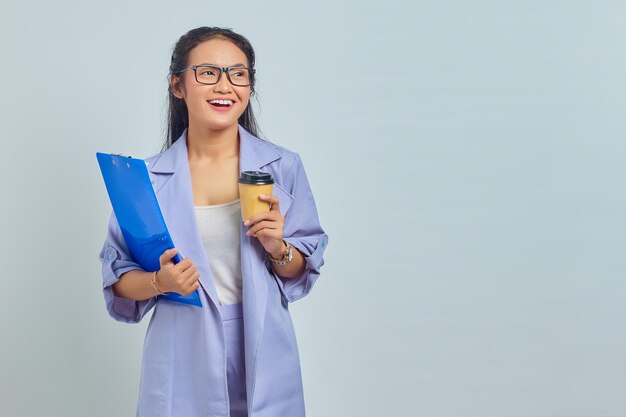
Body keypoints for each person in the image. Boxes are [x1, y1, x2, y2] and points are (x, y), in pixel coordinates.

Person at [98, 26, 329, 417]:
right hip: (182, 349)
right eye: (208, 72)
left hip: (261, 344)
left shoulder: (282, 167)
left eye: (238, 74)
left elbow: (302, 269)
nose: (225, 85)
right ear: (178, 86)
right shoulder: (146, 181)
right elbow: (117, 280)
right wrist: (161, 282)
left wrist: (279, 248)